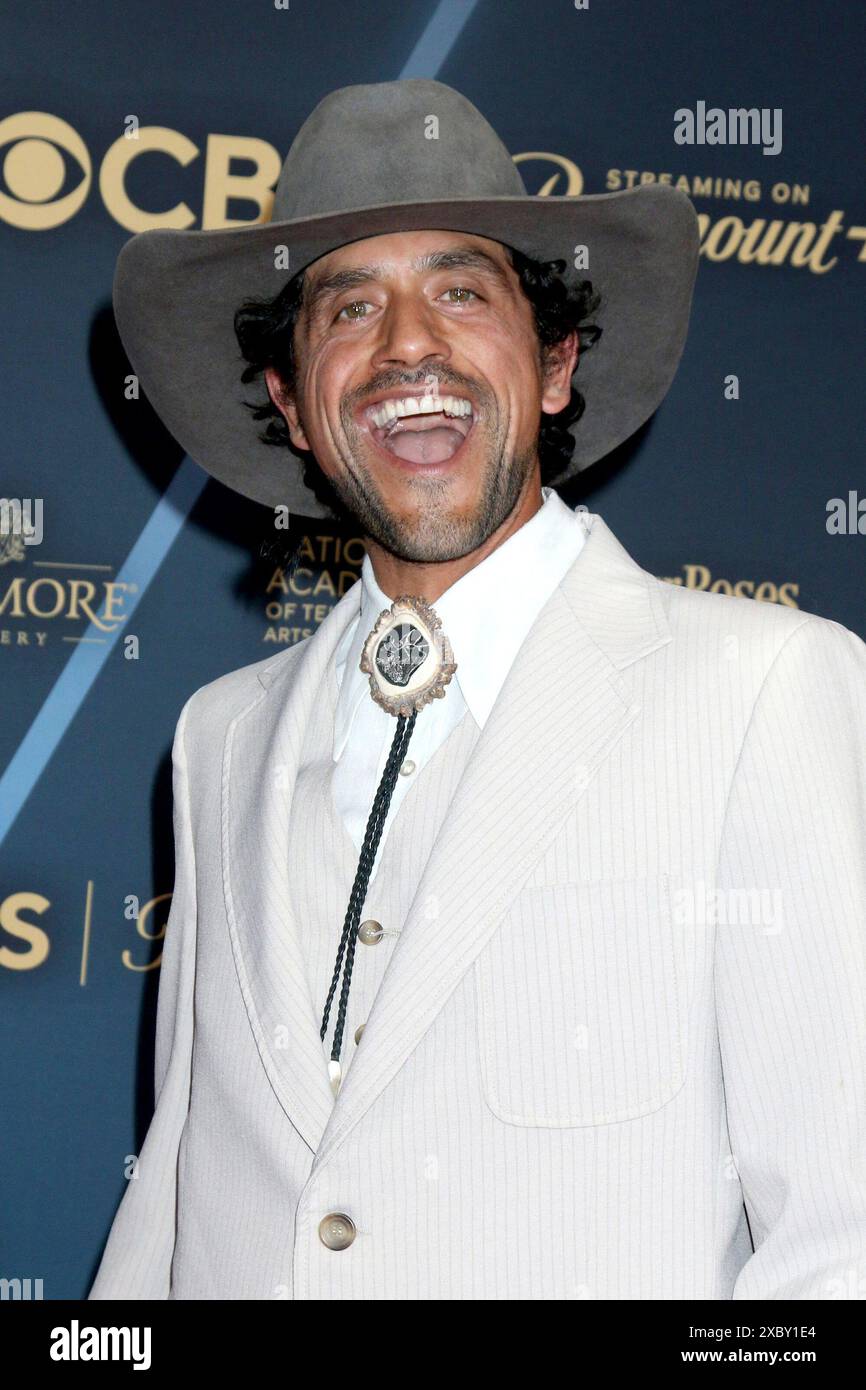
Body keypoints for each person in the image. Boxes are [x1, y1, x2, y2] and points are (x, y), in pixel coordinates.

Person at [90, 79, 866, 1301]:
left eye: (460, 290)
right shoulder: (218, 738)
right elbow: (175, 1210)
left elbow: (842, 1233)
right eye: (350, 305)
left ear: (554, 364)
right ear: (292, 403)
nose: (408, 344)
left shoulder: (765, 689)